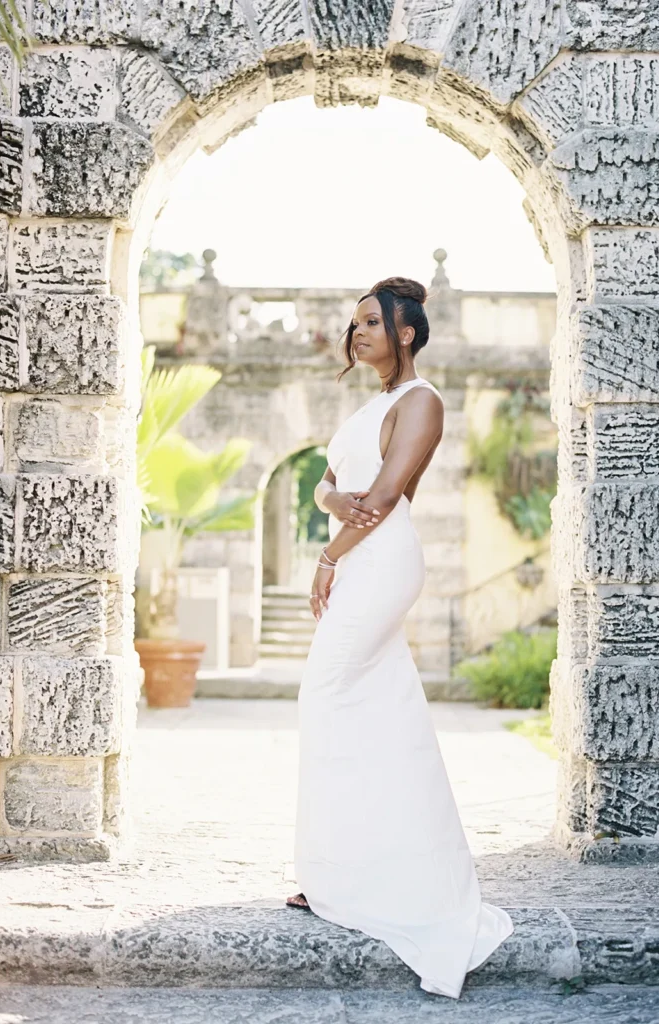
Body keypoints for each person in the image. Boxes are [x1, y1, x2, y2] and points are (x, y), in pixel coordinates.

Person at [286, 277, 514, 999]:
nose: (357, 335)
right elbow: (327, 484)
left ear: (405, 333)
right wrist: (329, 507)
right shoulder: (368, 404)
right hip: (357, 557)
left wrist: (327, 557)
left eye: (371, 324)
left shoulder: (423, 402)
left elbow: (383, 499)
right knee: (373, 713)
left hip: (378, 563)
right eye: (352, 325)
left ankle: (374, 883)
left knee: (325, 696)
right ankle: (340, 874)